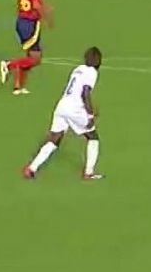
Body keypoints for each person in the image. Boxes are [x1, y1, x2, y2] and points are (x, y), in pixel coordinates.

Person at [21, 46, 104, 181]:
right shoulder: (91, 72)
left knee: (55, 139)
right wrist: (90, 115)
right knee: (93, 137)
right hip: (74, 109)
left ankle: (31, 168)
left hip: (62, 106)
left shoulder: (78, 69)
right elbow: (85, 92)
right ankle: (89, 172)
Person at [0, 0, 51, 94]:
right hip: (29, 22)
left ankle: (18, 87)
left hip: (22, 20)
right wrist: (46, 17)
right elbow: (35, 4)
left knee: (29, 56)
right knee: (35, 59)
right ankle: (8, 65)